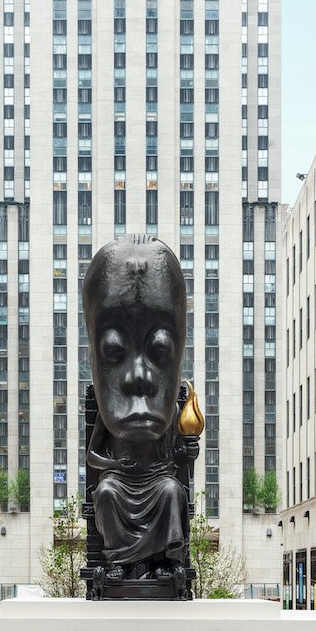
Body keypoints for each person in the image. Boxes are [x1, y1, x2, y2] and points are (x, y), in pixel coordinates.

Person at [82, 236, 200, 581]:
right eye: (113, 349)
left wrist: (186, 451)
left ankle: (168, 562)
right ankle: (118, 561)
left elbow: (176, 460)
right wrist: (113, 464)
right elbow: (92, 455)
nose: (139, 377)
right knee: (104, 492)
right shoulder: (106, 415)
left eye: (160, 350)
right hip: (120, 481)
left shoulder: (170, 418)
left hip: (155, 480)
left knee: (171, 491)